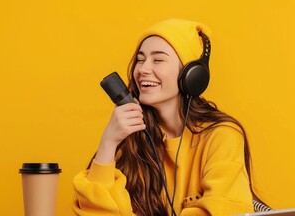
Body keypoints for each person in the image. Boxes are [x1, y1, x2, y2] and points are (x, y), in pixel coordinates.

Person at [73, 18, 257, 215]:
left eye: (158, 59)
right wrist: (108, 143)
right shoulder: (130, 139)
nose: (143, 69)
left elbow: (226, 210)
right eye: (140, 59)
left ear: (191, 75)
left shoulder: (222, 136)